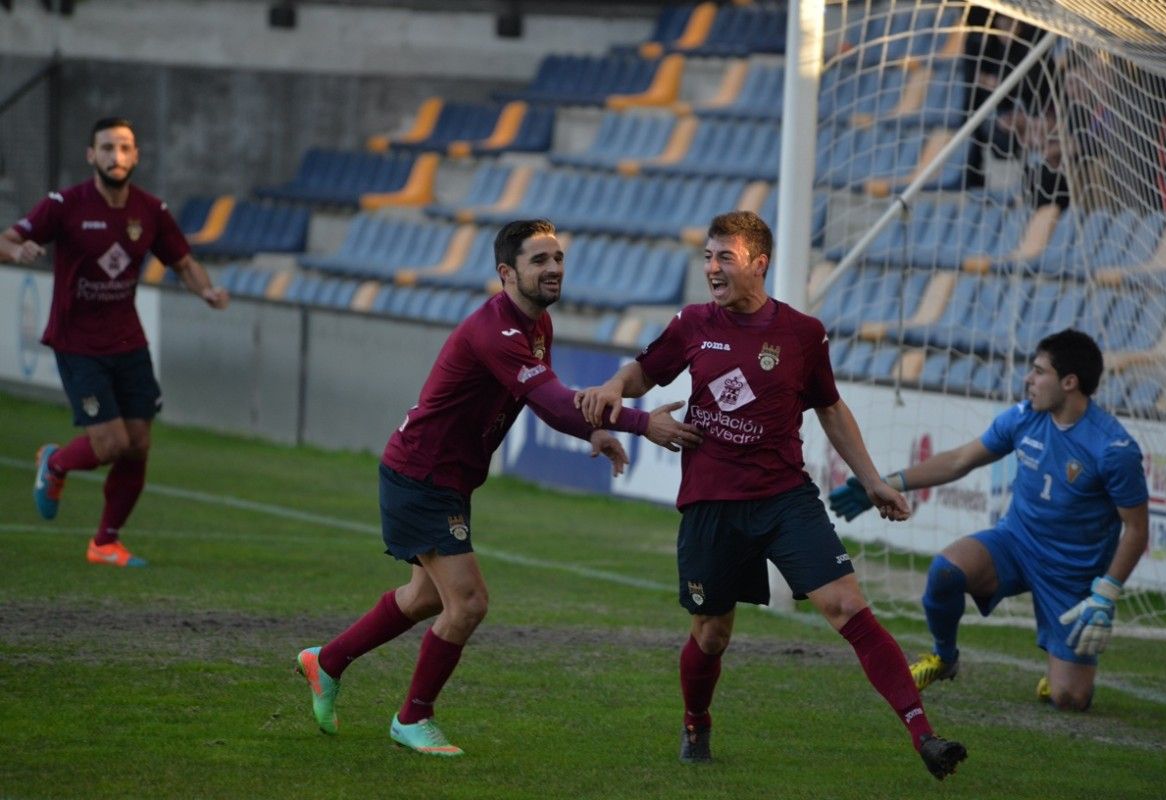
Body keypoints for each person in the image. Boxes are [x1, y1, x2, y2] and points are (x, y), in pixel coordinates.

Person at [577, 211, 967, 780]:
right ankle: (696, 719)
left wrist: (874, 479)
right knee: (711, 635)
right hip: (711, 501)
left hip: (785, 497)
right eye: (707, 257)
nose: (712, 268)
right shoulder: (692, 323)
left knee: (847, 607)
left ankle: (924, 735)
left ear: (758, 264)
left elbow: (830, 408)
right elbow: (644, 371)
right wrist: (615, 385)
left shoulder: (803, 334)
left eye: (724, 257)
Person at [295, 218, 701, 756]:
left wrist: (597, 430)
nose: (554, 268)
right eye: (540, 260)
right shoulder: (497, 332)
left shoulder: (537, 326)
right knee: (467, 603)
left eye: (557, 258)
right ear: (507, 273)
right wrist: (641, 422)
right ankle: (412, 718)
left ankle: (326, 663)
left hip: (444, 478)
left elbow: (548, 402)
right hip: (423, 476)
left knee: (422, 598)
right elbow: (555, 401)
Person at [829, 329, 1149, 712]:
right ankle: (944, 658)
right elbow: (960, 460)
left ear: (1069, 382)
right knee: (946, 571)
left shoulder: (1113, 449)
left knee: (1070, 698)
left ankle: (1063, 675)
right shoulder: (1025, 417)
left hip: (1072, 574)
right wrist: (885, 484)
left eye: (1038, 371)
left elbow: (1137, 528)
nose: (1028, 379)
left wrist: (1107, 592)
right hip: (1016, 545)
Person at [0, 116, 230, 568]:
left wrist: (205, 290)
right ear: (91, 156)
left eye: (125, 148)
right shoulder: (65, 204)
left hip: (129, 342)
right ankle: (57, 463)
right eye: (107, 148)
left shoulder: (150, 210)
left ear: (136, 155)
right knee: (109, 444)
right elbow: (8, 239)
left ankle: (105, 542)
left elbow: (182, 260)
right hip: (77, 343)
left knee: (139, 443)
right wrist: (17, 250)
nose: (116, 156)